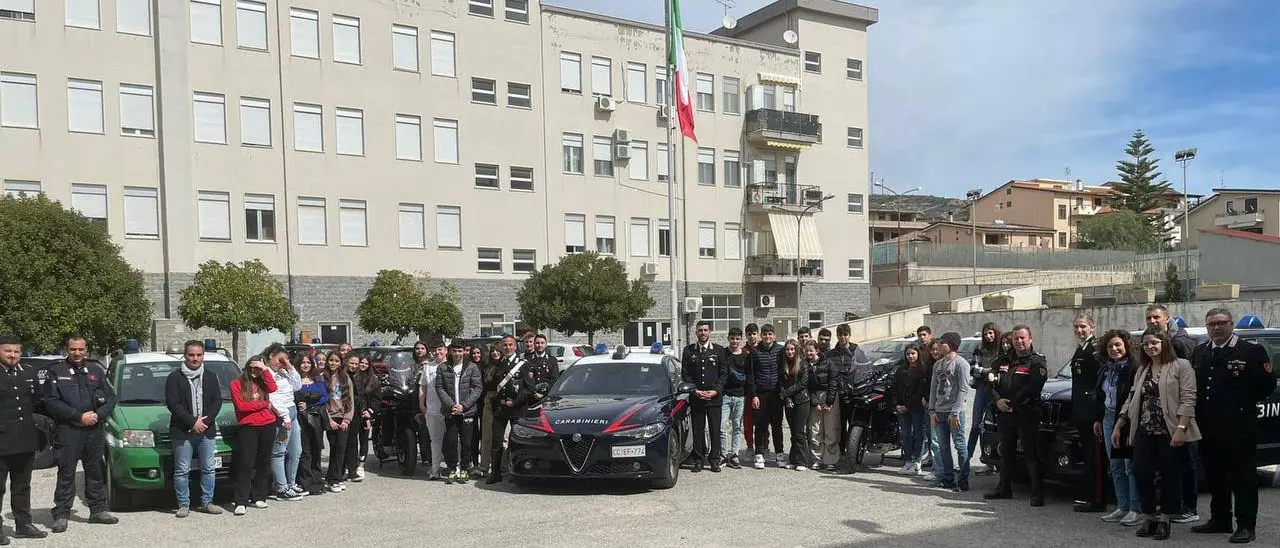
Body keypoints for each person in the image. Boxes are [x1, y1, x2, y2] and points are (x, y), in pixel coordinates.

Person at [1190, 308, 1275, 544]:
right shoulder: (1201, 351)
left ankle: (1246, 525)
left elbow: (1266, 385)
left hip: (1239, 426)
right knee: (1215, 475)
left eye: (1221, 323)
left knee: (1243, 478)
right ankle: (1220, 519)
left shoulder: (1250, 351)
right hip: (1208, 426)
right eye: (1211, 324)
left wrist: (1242, 403)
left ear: (1231, 323)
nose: (1216, 328)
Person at [1115, 327, 1199, 541]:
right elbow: (1132, 397)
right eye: (1146, 344)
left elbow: (1189, 399)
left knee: (1170, 476)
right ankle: (1150, 516)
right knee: (1140, 472)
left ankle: (1165, 520)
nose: (1150, 347)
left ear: (1164, 343)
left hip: (1170, 431)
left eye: (1154, 342)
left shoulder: (1181, 366)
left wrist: (1181, 429)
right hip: (1144, 429)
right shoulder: (1143, 369)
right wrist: (1120, 422)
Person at [43, 335, 118, 532]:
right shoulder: (56, 371)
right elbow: (51, 402)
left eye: (81, 349)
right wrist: (78, 417)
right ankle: (61, 514)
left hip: (94, 429)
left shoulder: (95, 370)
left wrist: (98, 415)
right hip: (68, 430)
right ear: (67, 350)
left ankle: (98, 510)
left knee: (94, 470)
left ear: (86, 350)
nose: (77, 353)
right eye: (73, 349)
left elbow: (111, 398)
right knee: (66, 472)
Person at [1144, 303, 1200, 525]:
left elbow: (1190, 381)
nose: (1152, 321)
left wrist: (1183, 421)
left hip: (1180, 416)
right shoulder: (1151, 342)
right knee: (1168, 466)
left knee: (1186, 462)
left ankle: (1190, 507)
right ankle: (1171, 505)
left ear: (1167, 318)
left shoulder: (1180, 342)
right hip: (1159, 419)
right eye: (1148, 318)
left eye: (1156, 317)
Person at [984, 325, 1048, 506]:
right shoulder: (1003, 360)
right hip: (1005, 414)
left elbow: (1034, 387)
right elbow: (990, 383)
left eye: (1022, 338)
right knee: (1006, 452)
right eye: (1016, 339)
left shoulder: (1037, 361)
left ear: (1030, 339)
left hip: (1026, 414)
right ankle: (1004, 488)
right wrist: (997, 401)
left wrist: (1011, 403)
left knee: (1030, 454)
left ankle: (1037, 493)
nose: (1019, 342)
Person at [164, 340, 225, 517]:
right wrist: (192, 422)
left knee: (208, 468)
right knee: (182, 469)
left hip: (206, 430)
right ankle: (183, 504)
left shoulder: (211, 376)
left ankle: (207, 502)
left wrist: (205, 422)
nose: (195, 358)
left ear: (203, 356)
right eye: (191, 355)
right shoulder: (174, 378)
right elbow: (173, 404)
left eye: (198, 355)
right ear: (185, 355)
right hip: (183, 431)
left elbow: (217, 401)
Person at [0, 334, 49, 542]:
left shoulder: (28, 372)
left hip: (25, 440)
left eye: (16, 351)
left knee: (22, 485)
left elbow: (39, 399)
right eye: (8, 351)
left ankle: (24, 524)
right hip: (1, 442)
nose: (12, 355)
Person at [1093, 329, 1144, 526]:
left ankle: (1135, 508)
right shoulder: (1105, 368)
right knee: (1114, 465)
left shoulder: (1134, 367)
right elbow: (1100, 395)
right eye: (1110, 346)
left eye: (1118, 345)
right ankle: (1122, 506)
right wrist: (1097, 419)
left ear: (1126, 346)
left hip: (1127, 419)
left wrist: (1123, 420)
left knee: (1129, 465)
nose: (1114, 349)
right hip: (1107, 418)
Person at [230, 357, 279, 516]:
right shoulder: (236, 383)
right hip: (249, 426)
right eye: (252, 367)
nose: (254, 371)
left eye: (257, 368)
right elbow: (242, 406)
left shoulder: (263, 381)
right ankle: (241, 500)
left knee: (263, 462)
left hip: (268, 424)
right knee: (246, 463)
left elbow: (273, 387)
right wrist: (264, 404)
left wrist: (265, 370)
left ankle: (259, 496)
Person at [1069, 314, 1107, 513]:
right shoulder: (1081, 348)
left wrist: (1097, 415)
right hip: (1081, 412)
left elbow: (1099, 385)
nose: (1079, 330)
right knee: (1088, 456)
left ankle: (1098, 499)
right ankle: (1090, 494)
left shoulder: (1095, 350)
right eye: (1076, 327)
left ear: (1092, 327)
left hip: (1091, 413)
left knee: (1096, 458)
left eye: (1083, 327)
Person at [928, 332, 972, 491]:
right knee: (943, 446)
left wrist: (955, 412)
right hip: (939, 411)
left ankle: (963, 479)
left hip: (954, 412)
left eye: (942, 343)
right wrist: (932, 410)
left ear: (951, 344)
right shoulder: (937, 365)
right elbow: (933, 388)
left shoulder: (962, 364)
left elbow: (963, 389)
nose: (939, 346)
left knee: (959, 445)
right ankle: (948, 477)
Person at [681, 321, 727, 473]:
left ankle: (714, 460)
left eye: (705, 330)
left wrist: (716, 391)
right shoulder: (688, 351)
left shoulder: (719, 350)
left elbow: (723, 374)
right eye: (700, 330)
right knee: (698, 430)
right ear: (696, 332)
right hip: (697, 397)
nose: (703, 333)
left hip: (714, 397)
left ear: (710, 332)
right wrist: (694, 391)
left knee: (715, 429)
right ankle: (698, 460)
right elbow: (685, 374)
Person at [436, 342, 483, 483]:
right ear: (450, 351)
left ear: (464, 352)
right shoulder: (442, 367)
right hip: (450, 412)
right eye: (455, 351)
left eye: (460, 351)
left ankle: (464, 469)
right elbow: (440, 388)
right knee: (451, 441)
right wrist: (451, 405)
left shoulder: (472, 367)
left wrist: (464, 405)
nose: (457, 354)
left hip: (467, 412)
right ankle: (452, 469)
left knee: (467, 442)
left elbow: (477, 388)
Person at [827, 323, 870, 472]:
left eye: (845, 334)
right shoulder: (831, 354)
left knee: (854, 424)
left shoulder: (858, 352)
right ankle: (841, 453)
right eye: (840, 334)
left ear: (849, 335)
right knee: (838, 425)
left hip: (854, 393)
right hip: (838, 394)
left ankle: (853, 453)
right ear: (837, 336)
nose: (843, 337)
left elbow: (865, 370)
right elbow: (829, 373)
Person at [265, 344, 304, 502]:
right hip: (282, 415)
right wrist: (285, 417)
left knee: (296, 451)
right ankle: (281, 487)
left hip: (292, 412)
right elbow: (273, 397)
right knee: (279, 451)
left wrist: (290, 367)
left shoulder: (283, 372)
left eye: (285, 360)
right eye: (279, 359)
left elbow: (297, 386)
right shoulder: (266, 373)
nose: (281, 363)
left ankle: (291, 482)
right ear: (270, 356)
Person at [486, 336, 527, 484]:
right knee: (496, 441)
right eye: (505, 345)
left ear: (515, 347)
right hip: (500, 409)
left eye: (510, 345)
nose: (508, 348)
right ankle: (495, 473)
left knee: (515, 441)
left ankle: (513, 471)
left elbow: (528, 388)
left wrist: (515, 402)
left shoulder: (523, 365)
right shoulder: (498, 365)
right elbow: (492, 386)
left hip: (516, 408)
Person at [747, 324, 785, 469]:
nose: (767, 337)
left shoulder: (780, 351)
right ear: (761, 336)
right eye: (765, 334)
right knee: (761, 426)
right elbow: (751, 375)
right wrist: (754, 396)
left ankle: (779, 454)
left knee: (777, 426)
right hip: (760, 394)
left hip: (776, 394)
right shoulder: (755, 352)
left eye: (770, 334)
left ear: (774, 336)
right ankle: (759, 454)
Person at [892, 345, 929, 476]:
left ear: (918, 354)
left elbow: (920, 391)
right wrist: (897, 404)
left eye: (913, 353)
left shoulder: (922, 370)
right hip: (902, 407)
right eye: (908, 354)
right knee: (905, 434)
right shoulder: (901, 369)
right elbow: (894, 387)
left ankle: (917, 461)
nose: (910, 356)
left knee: (918, 434)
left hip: (916, 407)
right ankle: (908, 461)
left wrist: (908, 405)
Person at [295, 354, 328, 495]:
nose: (306, 365)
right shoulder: (295, 380)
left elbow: (325, 396)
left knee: (316, 450)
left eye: (308, 362)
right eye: (303, 362)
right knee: (305, 451)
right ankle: (306, 481)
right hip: (301, 419)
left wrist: (309, 402)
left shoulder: (317, 379)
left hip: (315, 419)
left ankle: (317, 479)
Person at [321, 352, 354, 493]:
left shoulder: (345, 378)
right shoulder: (323, 377)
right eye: (331, 360)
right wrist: (329, 420)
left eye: (336, 361)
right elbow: (322, 402)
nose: (333, 363)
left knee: (341, 448)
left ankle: (335, 477)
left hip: (343, 417)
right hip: (331, 418)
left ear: (341, 363)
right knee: (334, 447)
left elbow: (350, 400)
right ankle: (333, 479)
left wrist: (347, 419)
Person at [805, 340, 838, 471]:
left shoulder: (828, 363)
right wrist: (814, 402)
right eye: (807, 351)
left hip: (829, 396)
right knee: (815, 430)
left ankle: (830, 460)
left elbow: (833, 381)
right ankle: (816, 459)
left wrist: (829, 401)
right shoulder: (804, 365)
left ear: (817, 350)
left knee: (831, 429)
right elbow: (806, 385)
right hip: (814, 398)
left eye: (811, 350)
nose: (809, 353)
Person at [719, 328, 749, 469]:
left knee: (737, 426)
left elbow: (749, 375)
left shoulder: (746, 355)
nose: (735, 341)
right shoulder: (722, 353)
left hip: (740, 396)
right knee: (721, 427)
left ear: (741, 339)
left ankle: (735, 455)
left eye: (737, 338)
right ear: (728, 338)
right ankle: (723, 455)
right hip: (725, 395)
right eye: (732, 338)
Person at [779, 339, 810, 471]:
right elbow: (781, 383)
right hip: (789, 402)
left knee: (799, 432)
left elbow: (802, 384)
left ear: (796, 350)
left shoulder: (803, 364)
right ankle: (793, 459)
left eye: (792, 349)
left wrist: (786, 393)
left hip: (802, 401)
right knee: (793, 433)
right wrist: (786, 398)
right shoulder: (783, 365)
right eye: (787, 349)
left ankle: (803, 461)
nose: (790, 352)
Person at [346, 355, 377, 483]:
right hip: (354, 413)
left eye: (365, 363)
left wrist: (369, 412)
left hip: (366, 413)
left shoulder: (373, 380)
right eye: (361, 363)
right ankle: (350, 465)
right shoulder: (353, 377)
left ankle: (361, 465)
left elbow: (375, 399)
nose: (362, 365)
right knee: (351, 441)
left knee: (363, 439)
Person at [418, 346, 448, 480]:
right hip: (432, 409)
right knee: (435, 440)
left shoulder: (451, 365)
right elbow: (423, 386)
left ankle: (454, 467)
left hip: (449, 409)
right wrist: (421, 404)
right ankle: (435, 470)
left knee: (453, 440)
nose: (438, 352)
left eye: (440, 350)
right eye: (435, 350)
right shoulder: (428, 367)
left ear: (446, 351)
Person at [478, 344, 504, 476]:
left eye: (497, 350)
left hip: (502, 401)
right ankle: (484, 466)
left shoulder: (506, 365)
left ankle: (502, 466)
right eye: (492, 351)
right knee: (486, 435)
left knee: (501, 437)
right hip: (489, 400)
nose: (495, 353)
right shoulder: (487, 366)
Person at [742, 323, 760, 453]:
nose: (752, 336)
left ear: (758, 334)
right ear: (746, 336)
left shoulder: (763, 350)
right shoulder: (743, 351)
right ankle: (749, 444)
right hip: (747, 392)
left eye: (754, 334)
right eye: (749, 334)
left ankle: (763, 444)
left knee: (762, 419)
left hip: (762, 390)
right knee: (748, 421)